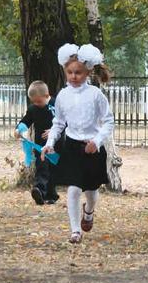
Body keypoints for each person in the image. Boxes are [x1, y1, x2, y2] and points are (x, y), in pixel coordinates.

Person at [41, 43, 114, 243]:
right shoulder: (63, 96)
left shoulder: (96, 95)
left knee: (91, 190)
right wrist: (51, 143)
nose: (74, 76)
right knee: (73, 189)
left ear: (88, 72)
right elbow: (58, 123)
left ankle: (89, 212)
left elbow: (108, 122)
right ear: (65, 71)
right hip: (72, 148)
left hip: (92, 149)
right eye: (70, 72)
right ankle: (75, 231)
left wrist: (97, 141)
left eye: (78, 73)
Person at [17, 80, 58, 205]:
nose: (36, 104)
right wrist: (18, 129)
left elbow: (66, 121)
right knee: (42, 167)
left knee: (52, 170)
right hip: (40, 145)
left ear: (47, 96)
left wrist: (54, 129)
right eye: (33, 101)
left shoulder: (56, 104)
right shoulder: (33, 109)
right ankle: (39, 190)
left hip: (57, 144)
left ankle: (51, 195)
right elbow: (25, 121)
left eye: (38, 101)